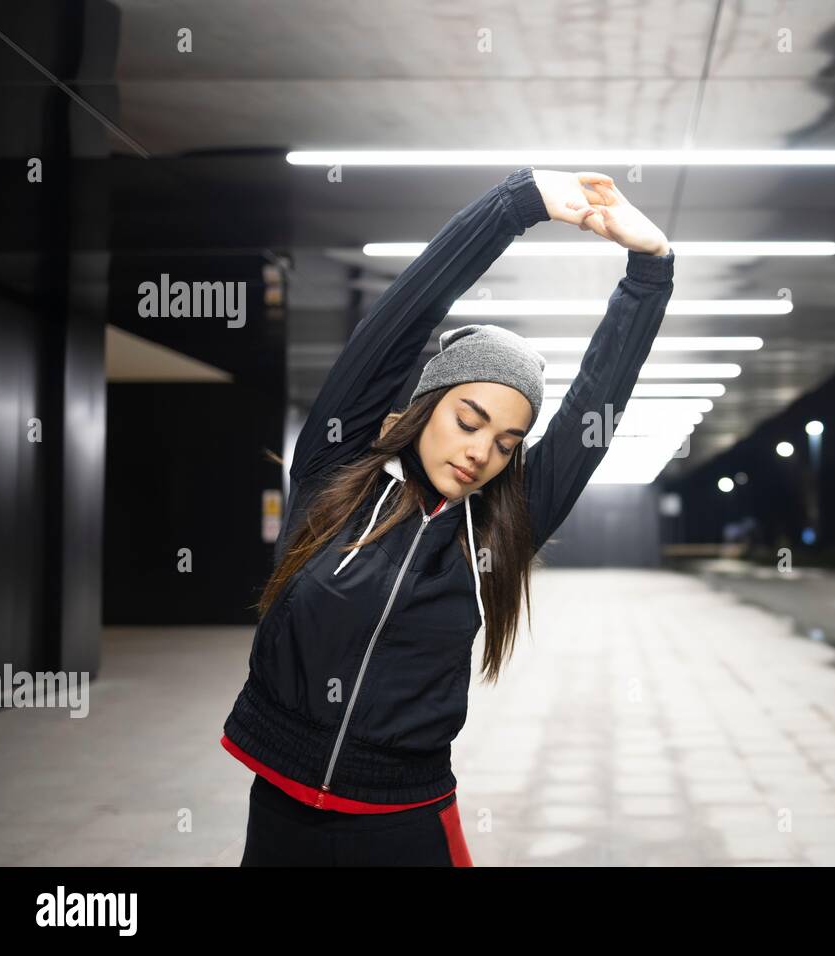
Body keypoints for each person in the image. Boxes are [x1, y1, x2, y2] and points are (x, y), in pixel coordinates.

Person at [220, 166, 674, 865]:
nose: (480, 452)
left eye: (504, 443)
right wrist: (516, 205)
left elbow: (595, 404)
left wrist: (649, 271)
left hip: (402, 821)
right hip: (279, 805)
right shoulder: (334, 471)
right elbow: (408, 312)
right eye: (469, 419)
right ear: (431, 403)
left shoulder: (495, 529)